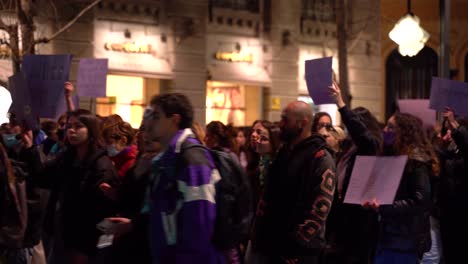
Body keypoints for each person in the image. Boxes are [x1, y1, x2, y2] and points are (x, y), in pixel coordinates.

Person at [252, 101, 336, 264]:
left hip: (299, 253)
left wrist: (295, 244)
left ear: (302, 124)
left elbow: (319, 209)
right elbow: (269, 194)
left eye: (286, 120)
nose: (281, 124)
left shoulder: (320, 158)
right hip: (272, 247)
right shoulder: (285, 152)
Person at [145, 93, 225, 263]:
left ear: (174, 120)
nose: (150, 123)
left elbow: (200, 224)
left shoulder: (193, 159)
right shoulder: (169, 157)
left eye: (156, 117)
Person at [36, 110, 119, 264]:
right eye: (69, 126)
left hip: (85, 242)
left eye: (78, 126)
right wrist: (29, 148)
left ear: (91, 130)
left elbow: (99, 212)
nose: (71, 130)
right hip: (62, 234)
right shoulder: (66, 157)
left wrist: (85, 249)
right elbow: (42, 177)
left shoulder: (101, 165)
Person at [365, 112, 435, 263]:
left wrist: (383, 207)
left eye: (391, 127)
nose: (384, 130)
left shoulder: (416, 160)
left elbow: (420, 201)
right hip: (390, 235)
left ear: (403, 132)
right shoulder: (393, 155)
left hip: (405, 239)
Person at [326, 82, 383, 264]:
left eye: (352, 126)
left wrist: (341, 105)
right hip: (343, 217)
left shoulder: (369, 146)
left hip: (359, 219)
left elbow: (362, 136)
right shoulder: (349, 148)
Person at [244, 120, 280, 264]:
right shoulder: (259, 163)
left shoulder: (275, 167)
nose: (256, 138)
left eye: (263, 137)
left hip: (267, 231)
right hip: (256, 227)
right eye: (253, 132)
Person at [437, 107, 468, 264]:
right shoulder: (448, 153)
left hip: (462, 214)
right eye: (447, 130)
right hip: (447, 213)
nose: (448, 134)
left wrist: (454, 123)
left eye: (451, 131)